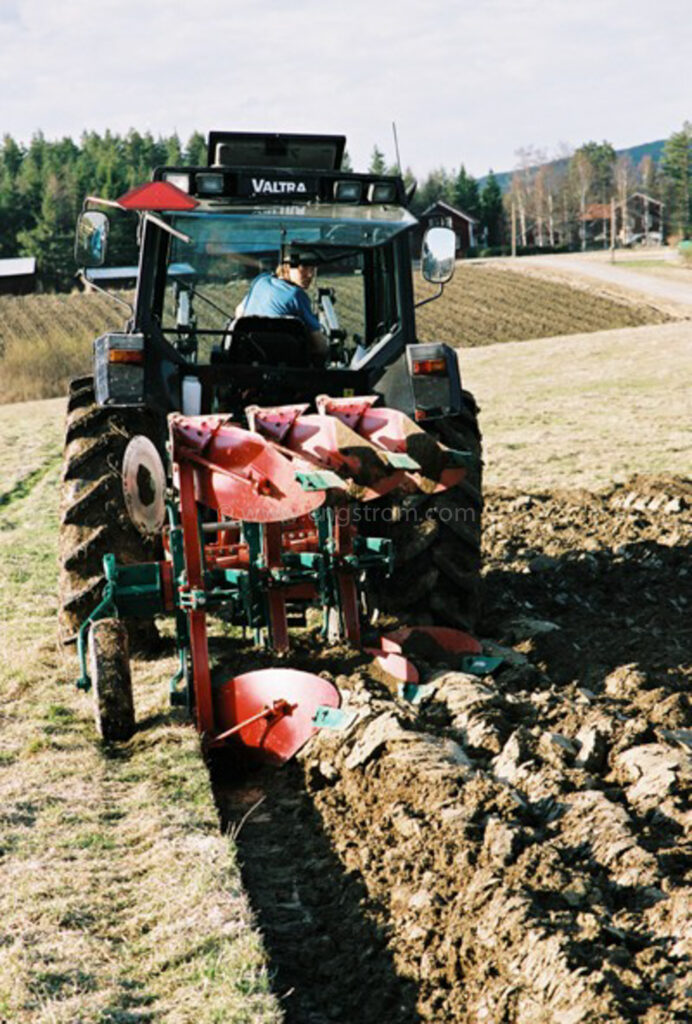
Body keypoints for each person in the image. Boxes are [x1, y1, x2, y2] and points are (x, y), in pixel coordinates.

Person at [234, 256, 329, 360]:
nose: (310, 274)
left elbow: (239, 312)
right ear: (287, 266)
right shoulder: (297, 295)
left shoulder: (261, 281)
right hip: (287, 366)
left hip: (248, 359)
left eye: (313, 269)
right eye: (304, 268)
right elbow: (320, 346)